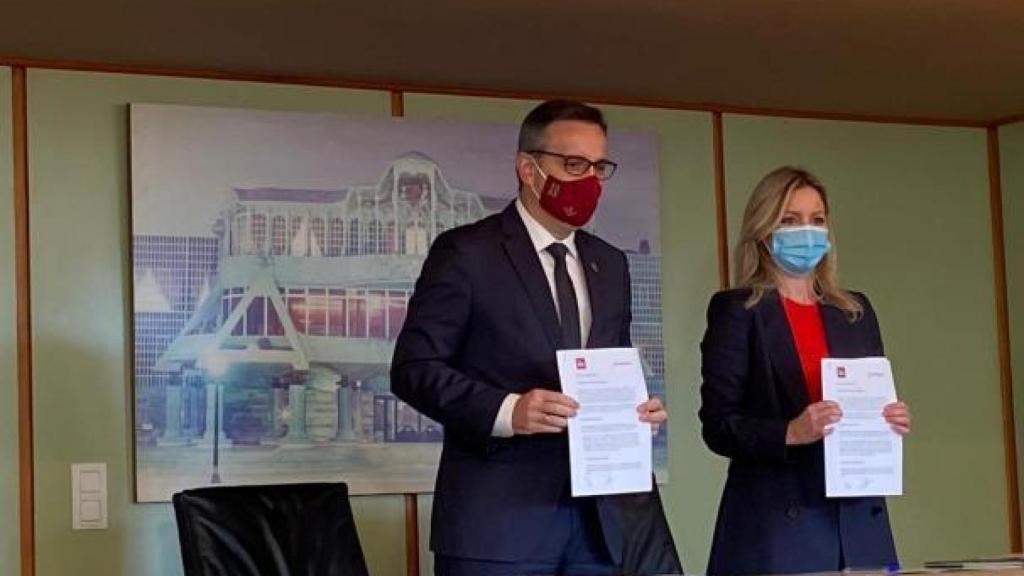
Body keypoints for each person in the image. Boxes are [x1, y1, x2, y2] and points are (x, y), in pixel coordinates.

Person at [391, 100, 682, 576]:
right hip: (498, 525)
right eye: (573, 164)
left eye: (598, 166)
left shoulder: (610, 264)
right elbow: (414, 369)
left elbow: (609, 365)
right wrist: (509, 410)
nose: (589, 180)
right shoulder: (466, 253)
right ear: (528, 168)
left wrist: (636, 411)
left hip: (600, 526)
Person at [699, 166, 912, 576]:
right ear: (763, 230)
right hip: (778, 524)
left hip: (858, 521)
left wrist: (891, 420)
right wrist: (789, 432)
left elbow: (871, 400)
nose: (807, 232)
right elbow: (718, 425)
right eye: (790, 220)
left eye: (817, 220)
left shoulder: (854, 311)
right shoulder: (737, 309)